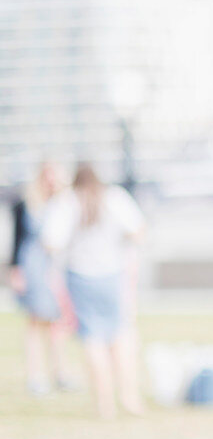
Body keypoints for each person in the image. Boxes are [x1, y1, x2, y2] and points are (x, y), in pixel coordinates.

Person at [42, 164, 146, 419]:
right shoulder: (115, 197)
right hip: (113, 274)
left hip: (80, 277)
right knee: (121, 334)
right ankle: (129, 396)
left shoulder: (66, 202)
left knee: (92, 340)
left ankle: (104, 405)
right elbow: (138, 231)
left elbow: (51, 243)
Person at [9, 161, 76, 395]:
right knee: (36, 322)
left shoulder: (64, 204)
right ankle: (35, 376)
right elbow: (17, 239)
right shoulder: (25, 204)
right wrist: (16, 269)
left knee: (57, 324)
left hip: (56, 268)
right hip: (33, 267)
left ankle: (60, 372)